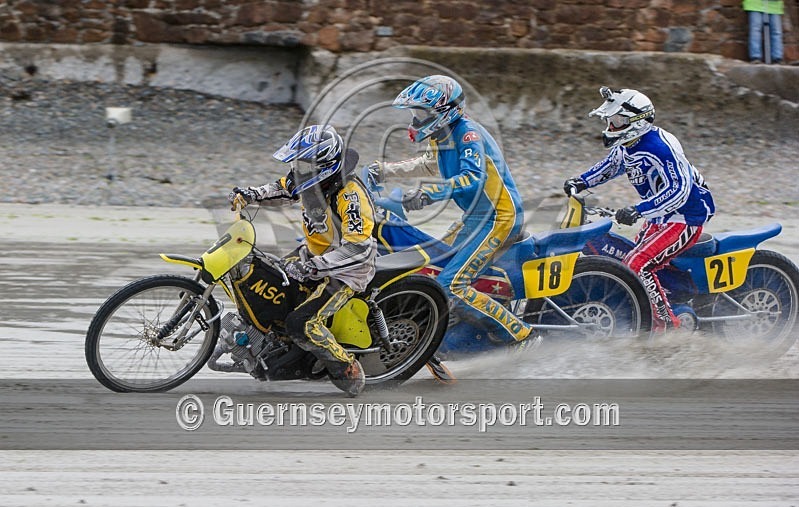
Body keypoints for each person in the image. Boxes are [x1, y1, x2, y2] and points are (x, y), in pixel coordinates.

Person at [368, 75, 539, 348]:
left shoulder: (467, 134)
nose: (415, 120)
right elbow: (427, 164)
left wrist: (428, 194)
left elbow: (473, 178)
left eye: (421, 113)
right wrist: (385, 170)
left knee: (451, 285)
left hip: (498, 218)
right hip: (474, 218)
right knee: (432, 268)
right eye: (415, 113)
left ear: (444, 111)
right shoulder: (441, 134)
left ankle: (522, 335)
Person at [228, 124, 377, 397]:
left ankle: (346, 367)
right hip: (312, 255)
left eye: (304, 164)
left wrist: (312, 267)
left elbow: (358, 249)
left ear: (324, 166)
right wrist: (251, 194)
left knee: (302, 324)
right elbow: (282, 188)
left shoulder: (351, 197)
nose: (298, 169)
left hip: (347, 272)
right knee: (267, 279)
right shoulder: (310, 180)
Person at [563, 86, 716, 333]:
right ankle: (663, 299)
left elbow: (681, 191)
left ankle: (667, 327)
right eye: (611, 121)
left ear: (638, 120)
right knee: (629, 261)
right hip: (660, 214)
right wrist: (581, 181)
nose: (612, 126)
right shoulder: (628, 144)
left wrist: (639, 209)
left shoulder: (660, 147)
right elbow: (610, 166)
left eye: (618, 121)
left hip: (686, 217)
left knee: (638, 264)